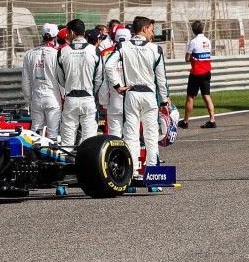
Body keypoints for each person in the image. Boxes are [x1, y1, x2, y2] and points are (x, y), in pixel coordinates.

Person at [109, 15, 170, 191]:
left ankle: (132, 174)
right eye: (151, 29)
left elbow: (108, 66)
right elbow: (161, 79)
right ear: (143, 29)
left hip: (131, 94)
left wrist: (117, 86)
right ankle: (153, 176)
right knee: (151, 136)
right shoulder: (155, 49)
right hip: (149, 96)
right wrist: (164, 100)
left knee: (131, 136)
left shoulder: (123, 46)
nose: (152, 33)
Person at [56, 18, 100, 147]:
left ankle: (67, 166)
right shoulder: (94, 50)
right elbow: (99, 78)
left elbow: (60, 78)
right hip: (88, 97)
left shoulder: (62, 52)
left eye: (68, 33)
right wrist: (91, 91)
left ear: (72, 33)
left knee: (67, 143)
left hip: (70, 98)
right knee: (89, 142)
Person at [22, 23, 63, 136]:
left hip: (36, 97)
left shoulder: (29, 54)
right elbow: (62, 80)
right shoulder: (57, 54)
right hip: (53, 97)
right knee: (53, 132)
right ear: (55, 37)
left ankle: (35, 153)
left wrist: (29, 100)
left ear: (42, 35)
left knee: (35, 132)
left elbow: (25, 81)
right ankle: (52, 151)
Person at [182, 20, 217, 129]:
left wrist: (193, 57)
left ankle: (185, 121)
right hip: (207, 71)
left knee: (190, 97)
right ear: (202, 29)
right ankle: (212, 119)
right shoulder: (208, 41)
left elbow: (187, 58)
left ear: (193, 30)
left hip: (196, 72)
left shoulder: (193, 42)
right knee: (206, 95)